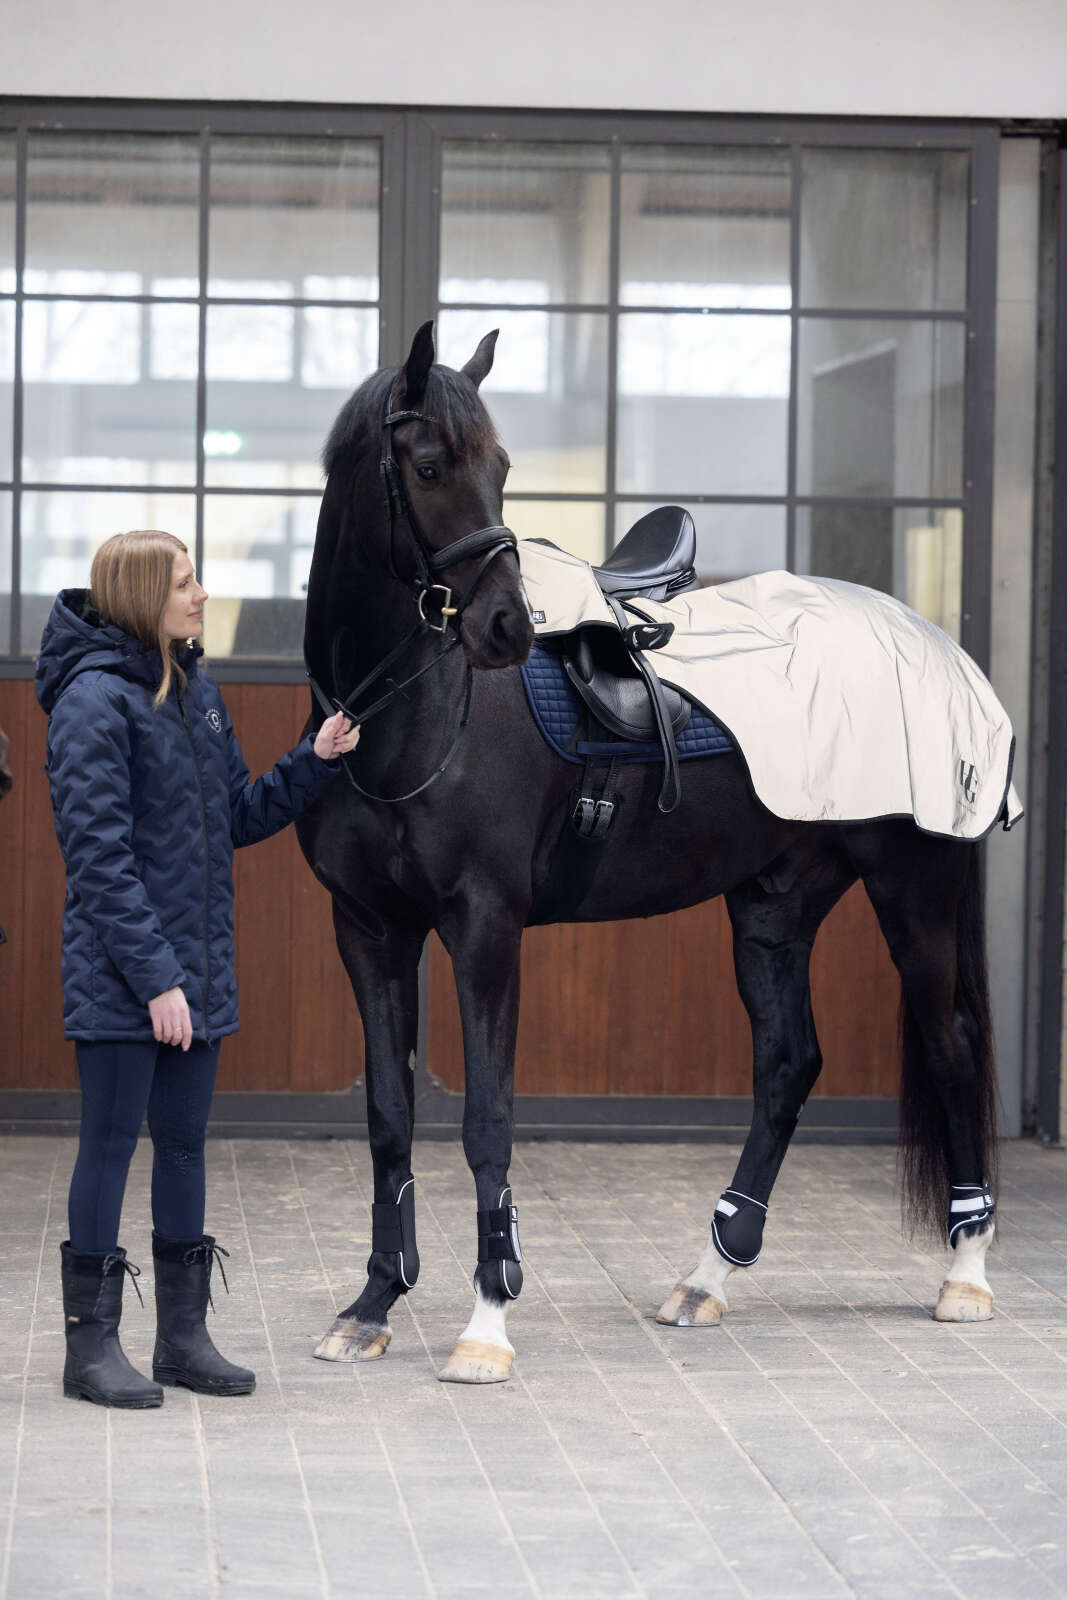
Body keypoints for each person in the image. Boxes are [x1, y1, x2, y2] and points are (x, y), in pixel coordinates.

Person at [35, 530, 358, 1409]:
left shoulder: (194, 692)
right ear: (144, 596)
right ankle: (89, 1351)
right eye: (184, 583)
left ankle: (182, 1339)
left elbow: (239, 817)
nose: (202, 594)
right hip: (127, 978)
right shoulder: (92, 705)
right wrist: (156, 981)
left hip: (193, 975)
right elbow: (98, 861)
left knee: (182, 1147)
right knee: (108, 1148)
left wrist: (313, 761)